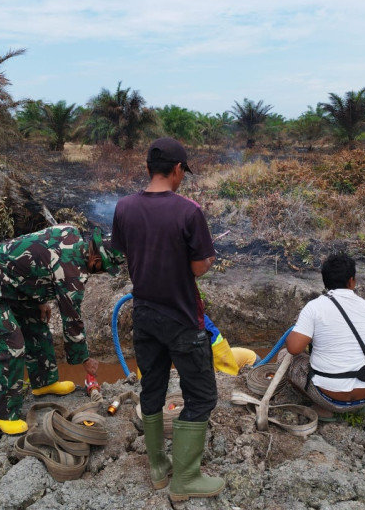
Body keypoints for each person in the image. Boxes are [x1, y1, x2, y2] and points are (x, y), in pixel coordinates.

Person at [111, 137, 224, 502]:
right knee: (203, 395)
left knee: (153, 389)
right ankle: (185, 479)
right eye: (182, 173)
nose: (182, 179)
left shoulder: (124, 208)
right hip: (181, 317)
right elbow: (197, 267)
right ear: (177, 170)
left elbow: (129, 253)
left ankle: (158, 468)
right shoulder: (188, 212)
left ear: (147, 168)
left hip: (143, 314)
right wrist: (207, 262)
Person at [0, 225, 123, 435]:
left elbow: (38, 265)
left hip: (11, 283)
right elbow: (72, 321)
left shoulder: (70, 233)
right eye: (103, 269)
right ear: (96, 261)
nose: (100, 273)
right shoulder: (72, 274)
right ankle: (4, 413)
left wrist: (39, 300)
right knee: (11, 345)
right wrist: (85, 360)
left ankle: (44, 382)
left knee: (37, 321)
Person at [283, 253, 365, 421]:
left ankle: (322, 407)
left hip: (330, 398)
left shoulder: (315, 307)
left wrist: (305, 330)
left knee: (284, 356)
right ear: (351, 281)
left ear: (325, 282)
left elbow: (294, 348)